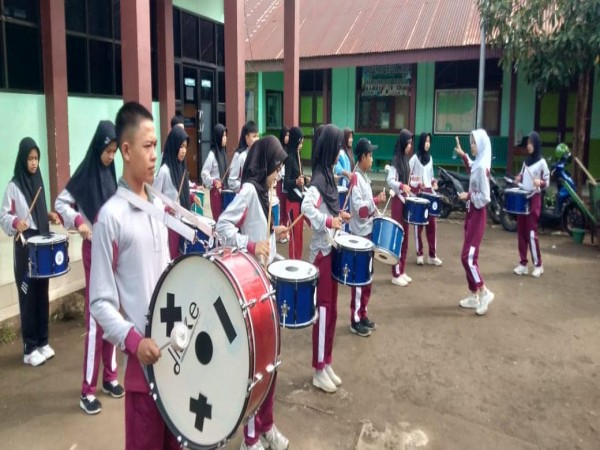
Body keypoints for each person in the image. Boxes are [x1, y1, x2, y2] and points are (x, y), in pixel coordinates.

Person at [89, 102, 179, 449]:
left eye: (156, 145)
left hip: (175, 362)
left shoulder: (157, 206)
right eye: (147, 146)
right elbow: (99, 300)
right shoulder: (110, 217)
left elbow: (168, 273)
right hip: (144, 374)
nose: (155, 154)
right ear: (126, 150)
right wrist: (133, 342)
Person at [215, 136, 290, 450]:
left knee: (272, 362)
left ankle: (267, 426)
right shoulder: (247, 191)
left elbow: (263, 238)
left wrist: (275, 237)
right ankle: (250, 438)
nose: (279, 174)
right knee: (254, 366)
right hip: (249, 290)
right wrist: (249, 245)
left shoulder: (266, 194)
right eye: (276, 167)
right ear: (264, 165)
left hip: (266, 286)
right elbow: (223, 226)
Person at [55, 121, 124, 415]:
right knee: (97, 319)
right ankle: (87, 389)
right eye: (108, 151)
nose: (110, 156)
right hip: (94, 251)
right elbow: (61, 203)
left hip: (113, 252)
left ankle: (109, 376)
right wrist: (79, 223)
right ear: (98, 147)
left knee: (114, 313)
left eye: (114, 152)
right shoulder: (84, 174)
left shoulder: (111, 176)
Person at [0, 137, 60, 366]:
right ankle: (29, 348)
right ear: (22, 159)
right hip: (25, 246)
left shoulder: (38, 182)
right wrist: (16, 223)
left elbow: (36, 213)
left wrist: (48, 216)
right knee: (27, 295)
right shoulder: (14, 185)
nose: (34, 163)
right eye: (30, 158)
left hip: (41, 244)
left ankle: (43, 342)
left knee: (41, 293)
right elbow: (4, 214)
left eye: (36, 159)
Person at [301, 124, 350, 394]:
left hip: (332, 251)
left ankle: (327, 360)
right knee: (322, 311)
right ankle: (318, 368)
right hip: (321, 255)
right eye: (338, 146)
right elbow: (307, 208)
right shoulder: (319, 179)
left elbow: (326, 209)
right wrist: (328, 220)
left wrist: (337, 217)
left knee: (332, 312)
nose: (340, 151)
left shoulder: (329, 175)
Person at [347, 138, 385, 337]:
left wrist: (376, 211)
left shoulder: (363, 177)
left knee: (367, 279)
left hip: (367, 234)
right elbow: (360, 211)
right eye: (370, 156)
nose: (372, 159)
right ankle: (355, 320)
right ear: (362, 157)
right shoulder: (356, 179)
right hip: (359, 237)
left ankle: (363, 313)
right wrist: (375, 201)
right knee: (360, 281)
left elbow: (368, 210)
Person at [455, 129, 495, 316]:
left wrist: (468, 195)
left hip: (478, 215)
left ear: (481, 144)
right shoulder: (479, 162)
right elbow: (472, 168)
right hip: (472, 214)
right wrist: (463, 155)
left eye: (473, 142)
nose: (471, 145)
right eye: (470, 142)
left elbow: (485, 196)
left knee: (467, 257)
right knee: (470, 257)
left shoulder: (481, 167)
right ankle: (473, 295)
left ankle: (483, 291)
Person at [154, 125, 200, 259]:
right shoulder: (164, 171)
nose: (184, 151)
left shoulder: (182, 168)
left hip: (183, 223)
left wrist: (191, 197)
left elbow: (181, 194)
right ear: (174, 146)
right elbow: (153, 199)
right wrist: (166, 208)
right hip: (170, 226)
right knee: (172, 260)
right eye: (181, 147)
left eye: (185, 147)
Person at [513, 131, 549, 278]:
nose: (528, 146)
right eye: (527, 143)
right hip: (523, 198)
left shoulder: (542, 162)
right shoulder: (526, 162)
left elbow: (547, 182)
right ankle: (523, 264)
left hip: (534, 198)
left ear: (536, 144)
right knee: (521, 231)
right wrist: (518, 178)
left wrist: (540, 182)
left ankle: (538, 264)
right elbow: (522, 175)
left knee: (532, 232)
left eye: (531, 143)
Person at [386, 129, 414, 287]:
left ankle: (402, 270)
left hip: (406, 202)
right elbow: (390, 180)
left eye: (411, 143)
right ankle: (395, 273)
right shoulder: (396, 161)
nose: (410, 146)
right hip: (398, 202)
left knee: (405, 238)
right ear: (402, 142)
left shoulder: (406, 160)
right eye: (408, 143)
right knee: (398, 237)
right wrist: (402, 185)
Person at [409, 132, 443, 266]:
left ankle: (432, 255)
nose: (427, 144)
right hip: (419, 195)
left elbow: (431, 175)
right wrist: (417, 184)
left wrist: (434, 182)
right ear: (422, 142)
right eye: (426, 141)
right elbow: (409, 175)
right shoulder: (414, 158)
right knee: (418, 226)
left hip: (430, 194)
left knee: (432, 225)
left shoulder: (431, 158)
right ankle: (420, 254)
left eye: (429, 141)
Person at [283, 127, 307, 259]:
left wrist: (305, 180)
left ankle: (298, 260)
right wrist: (296, 182)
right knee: (294, 235)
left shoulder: (298, 157)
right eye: (300, 142)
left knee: (299, 235)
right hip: (292, 203)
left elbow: (300, 178)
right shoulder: (290, 159)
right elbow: (286, 183)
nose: (301, 145)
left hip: (299, 201)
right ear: (295, 141)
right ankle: (293, 261)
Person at [201, 123, 227, 221]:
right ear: (218, 136)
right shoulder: (212, 155)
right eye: (223, 136)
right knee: (219, 220)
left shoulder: (223, 153)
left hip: (224, 191)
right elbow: (204, 173)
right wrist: (213, 181)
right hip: (216, 193)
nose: (225, 138)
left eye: (225, 136)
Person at [228, 121, 259, 193]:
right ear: (247, 138)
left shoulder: (261, 155)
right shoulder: (241, 156)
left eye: (258, 136)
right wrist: (245, 187)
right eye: (254, 136)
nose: (257, 139)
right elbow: (231, 180)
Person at [276, 126, 289, 241]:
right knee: (281, 207)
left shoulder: (289, 150)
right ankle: (280, 233)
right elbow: (277, 168)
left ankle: (285, 231)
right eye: (286, 135)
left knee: (286, 208)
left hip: (287, 182)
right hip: (280, 182)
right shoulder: (279, 150)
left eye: (289, 135)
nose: (287, 138)